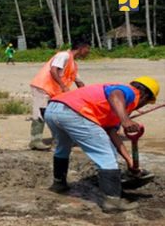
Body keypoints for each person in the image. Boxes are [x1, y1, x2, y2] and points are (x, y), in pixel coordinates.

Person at [44, 76, 160, 212]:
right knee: (107, 156)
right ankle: (112, 202)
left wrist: (130, 162)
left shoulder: (118, 107)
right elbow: (115, 95)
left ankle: (59, 184)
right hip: (75, 112)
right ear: (145, 96)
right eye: (146, 103)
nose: (141, 106)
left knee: (62, 148)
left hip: (53, 109)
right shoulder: (129, 92)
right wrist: (125, 120)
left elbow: (112, 133)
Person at [28, 41, 90, 150]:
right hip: (43, 87)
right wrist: (63, 86)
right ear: (81, 48)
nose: (88, 52)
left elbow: (79, 82)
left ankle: (59, 139)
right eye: (87, 49)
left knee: (56, 114)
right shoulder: (63, 56)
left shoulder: (73, 65)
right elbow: (53, 70)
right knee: (40, 113)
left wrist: (87, 96)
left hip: (54, 91)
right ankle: (35, 141)